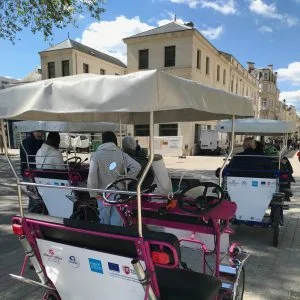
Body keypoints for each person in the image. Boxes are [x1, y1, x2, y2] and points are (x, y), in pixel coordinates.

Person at [87, 131, 141, 226]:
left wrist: (93, 193)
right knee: (117, 222)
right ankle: (116, 239)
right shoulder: (121, 154)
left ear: (103, 141)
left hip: (103, 193)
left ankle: (105, 238)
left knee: (104, 221)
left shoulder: (96, 155)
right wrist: (126, 180)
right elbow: (137, 167)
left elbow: (92, 175)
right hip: (118, 192)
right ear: (114, 141)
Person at [20, 131, 44, 210]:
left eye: (42, 132)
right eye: (38, 132)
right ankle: (32, 213)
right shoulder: (26, 142)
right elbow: (30, 158)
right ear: (33, 131)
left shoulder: (41, 141)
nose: (40, 134)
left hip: (39, 171)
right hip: (28, 172)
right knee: (33, 196)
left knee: (41, 196)